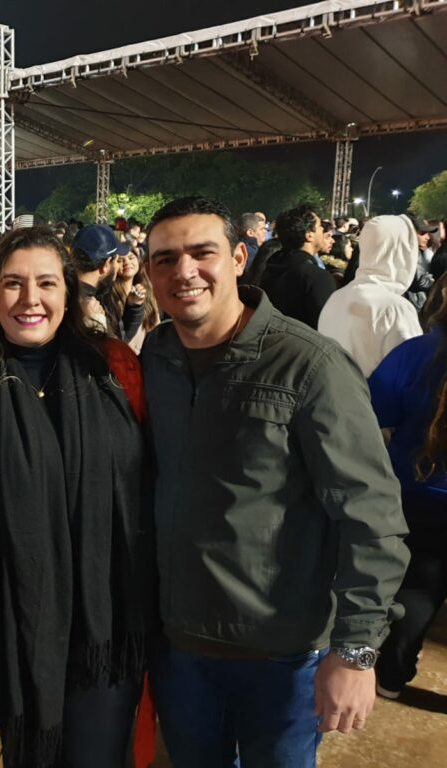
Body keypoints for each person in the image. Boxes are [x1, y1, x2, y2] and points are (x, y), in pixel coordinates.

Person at [140, 196, 410, 767]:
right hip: (180, 647)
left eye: (201, 252)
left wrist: (356, 652)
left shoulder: (308, 365)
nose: (184, 271)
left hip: (280, 655)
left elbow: (372, 516)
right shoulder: (154, 359)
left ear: (239, 257)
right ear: (148, 273)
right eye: (165, 259)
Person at [0, 226, 155, 768]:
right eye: (13, 284)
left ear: (68, 292)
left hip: (110, 618)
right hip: (15, 616)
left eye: (46, 283)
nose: (30, 299)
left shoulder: (115, 367)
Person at [368, 292, 447, 700]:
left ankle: (392, 677)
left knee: (416, 589)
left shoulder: (417, 352)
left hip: (415, 491)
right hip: (420, 492)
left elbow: (373, 410)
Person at [317, 215, 423, 377]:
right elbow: (412, 373)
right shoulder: (395, 308)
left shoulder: (336, 297)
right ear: (402, 251)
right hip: (376, 400)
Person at [260, 204, 336, 328]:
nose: (323, 230)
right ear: (309, 235)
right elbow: (327, 328)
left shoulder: (270, 267)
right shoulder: (318, 278)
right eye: (320, 226)